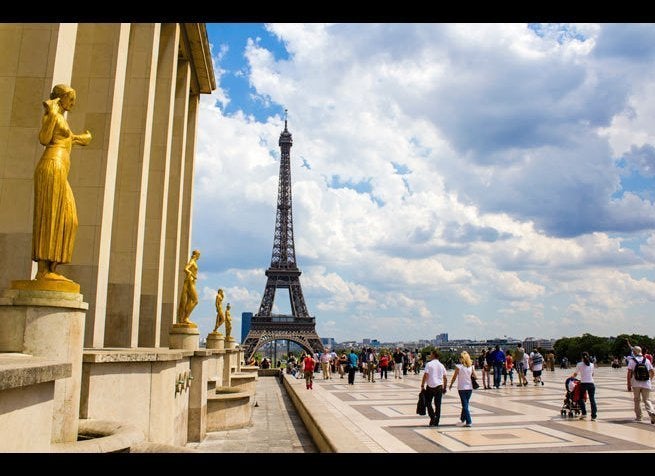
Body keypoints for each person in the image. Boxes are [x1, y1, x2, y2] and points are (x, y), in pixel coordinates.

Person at [32, 84, 92, 282]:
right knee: (50, 215)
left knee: (69, 219)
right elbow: (44, 138)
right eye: (70, 98)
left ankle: (53, 266)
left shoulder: (60, 119)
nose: (73, 103)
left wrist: (80, 139)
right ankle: (44, 270)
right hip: (52, 166)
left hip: (60, 170)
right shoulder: (54, 116)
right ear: (61, 98)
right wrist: (50, 112)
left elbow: (66, 138)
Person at [626, 346, 655, 423]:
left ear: (635, 352)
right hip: (646, 383)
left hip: (636, 384)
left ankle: (639, 417)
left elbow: (629, 373)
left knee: (637, 400)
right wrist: (649, 380)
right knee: (647, 400)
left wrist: (628, 384)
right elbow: (652, 372)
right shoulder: (647, 360)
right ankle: (652, 412)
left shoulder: (632, 361)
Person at [420, 350, 448, 427]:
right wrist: (445, 387)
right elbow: (445, 377)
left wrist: (422, 385)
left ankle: (432, 417)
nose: (430, 355)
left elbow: (426, 375)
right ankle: (437, 421)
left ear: (433, 355)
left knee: (428, 403)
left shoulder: (429, 364)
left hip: (430, 386)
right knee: (438, 405)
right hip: (439, 386)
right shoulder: (441, 365)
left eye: (431, 354)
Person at [449, 351, 476, 427]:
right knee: (466, 404)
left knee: (465, 405)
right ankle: (462, 419)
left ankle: (469, 421)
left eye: (461, 357)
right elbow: (475, 376)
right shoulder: (471, 367)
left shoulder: (459, 367)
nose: (459, 358)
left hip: (462, 388)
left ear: (464, 358)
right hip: (469, 388)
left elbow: (454, 377)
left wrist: (451, 384)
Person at [571, 351, 597, 421]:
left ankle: (584, 413)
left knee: (580, 398)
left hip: (583, 384)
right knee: (592, 400)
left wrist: (571, 377)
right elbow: (592, 374)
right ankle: (593, 416)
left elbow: (575, 374)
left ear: (582, 357)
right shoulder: (592, 364)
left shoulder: (579, 364)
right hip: (591, 383)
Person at [177, 250, 200, 325]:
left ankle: (185, 317)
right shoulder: (192, 261)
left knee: (189, 301)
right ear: (196, 255)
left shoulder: (194, 261)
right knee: (195, 300)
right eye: (198, 254)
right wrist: (191, 274)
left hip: (192, 282)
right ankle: (185, 317)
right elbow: (186, 269)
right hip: (190, 281)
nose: (199, 256)